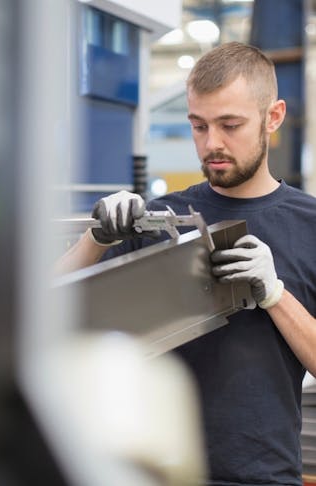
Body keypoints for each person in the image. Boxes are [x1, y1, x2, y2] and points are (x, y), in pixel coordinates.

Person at [55, 42, 316, 485]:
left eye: (230, 125)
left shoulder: (309, 226)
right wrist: (95, 239)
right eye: (199, 126)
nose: (212, 143)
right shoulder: (157, 220)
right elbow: (42, 313)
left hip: (265, 477)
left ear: (273, 117)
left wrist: (275, 294)